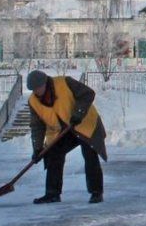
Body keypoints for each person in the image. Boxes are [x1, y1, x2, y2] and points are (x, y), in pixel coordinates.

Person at [26, 70, 107, 204]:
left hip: (85, 125)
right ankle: (52, 193)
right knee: (53, 153)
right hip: (64, 130)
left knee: (90, 154)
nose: (36, 91)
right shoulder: (33, 102)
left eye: (38, 88)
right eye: (33, 89)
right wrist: (37, 148)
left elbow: (88, 94)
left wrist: (78, 113)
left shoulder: (65, 82)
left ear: (45, 82)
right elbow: (37, 126)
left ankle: (96, 192)